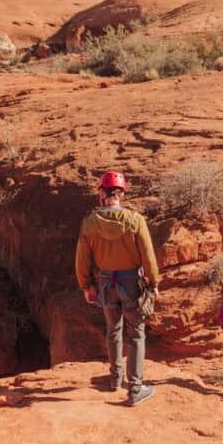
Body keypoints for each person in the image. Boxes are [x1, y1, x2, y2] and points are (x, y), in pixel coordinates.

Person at [75, 171, 160, 407]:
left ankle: (115, 379)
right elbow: (148, 257)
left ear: (102, 193)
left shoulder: (90, 223)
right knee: (136, 334)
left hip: (105, 283)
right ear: (121, 195)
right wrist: (153, 284)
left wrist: (86, 286)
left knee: (113, 329)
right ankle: (134, 390)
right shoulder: (135, 220)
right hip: (132, 282)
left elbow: (82, 259)